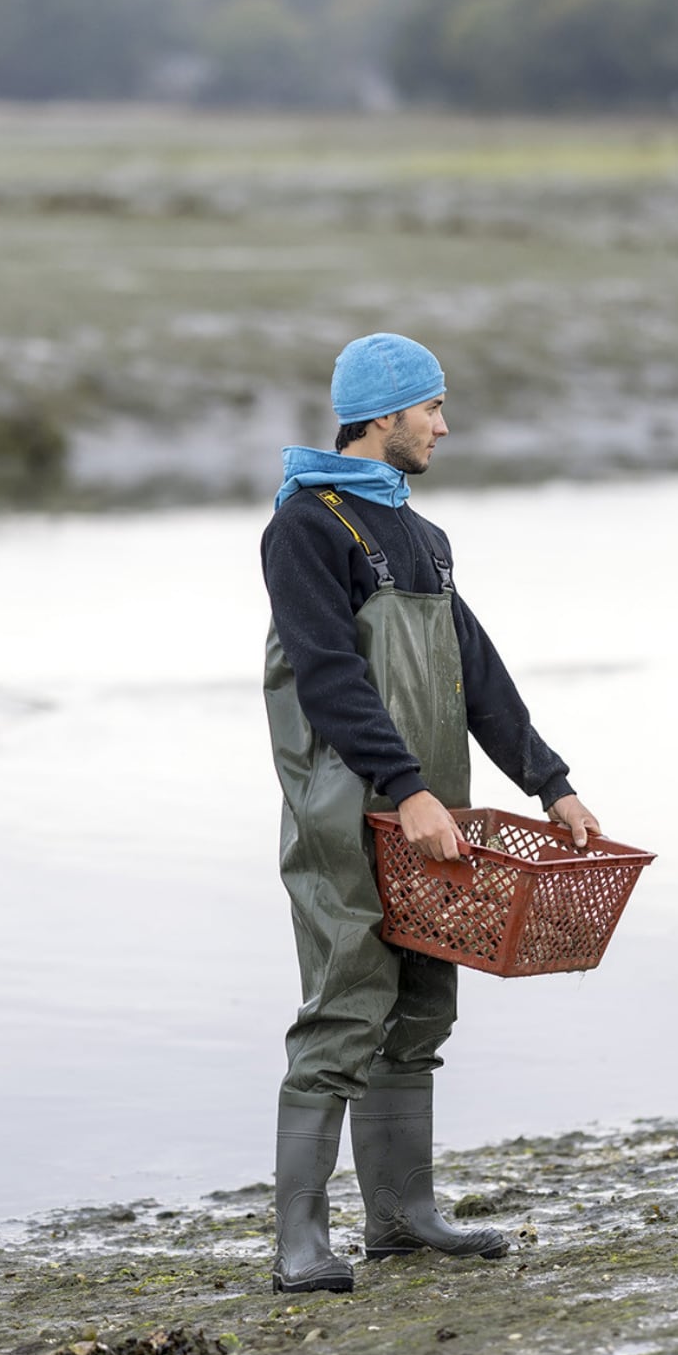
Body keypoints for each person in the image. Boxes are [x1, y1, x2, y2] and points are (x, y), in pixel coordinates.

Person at [261, 332, 600, 1294]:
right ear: (383, 415)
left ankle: (403, 1220)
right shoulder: (305, 527)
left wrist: (551, 781)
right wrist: (402, 789)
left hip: (431, 818)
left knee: (418, 1010)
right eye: (432, 410)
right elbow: (327, 677)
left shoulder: (421, 536)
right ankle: (298, 1244)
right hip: (345, 815)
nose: (444, 427)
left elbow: (477, 673)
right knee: (343, 1009)